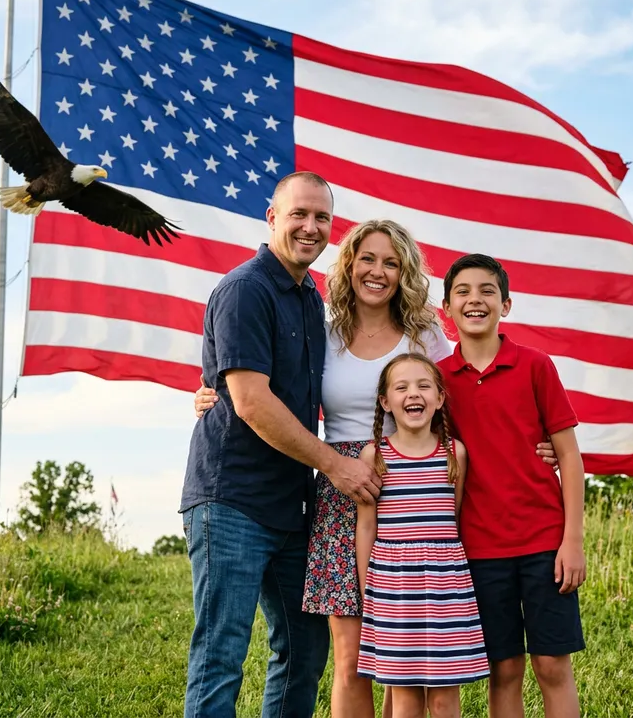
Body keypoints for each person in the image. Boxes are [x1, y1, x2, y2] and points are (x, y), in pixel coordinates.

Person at [193, 224, 560, 717]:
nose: (378, 272)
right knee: (352, 661)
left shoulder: (424, 333)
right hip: (341, 487)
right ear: (350, 266)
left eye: (391, 263)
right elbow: (269, 379)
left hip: (413, 489)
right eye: (368, 259)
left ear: (405, 271)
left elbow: (458, 398)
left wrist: (529, 444)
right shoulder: (324, 330)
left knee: (404, 661)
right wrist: (211, 396)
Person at [179, 171, 382, 718]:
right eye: (299, 214)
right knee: (221, 654)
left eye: (322, 218)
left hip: (293, 506)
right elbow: (251, 401)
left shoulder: (309, 298)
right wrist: (334, 465)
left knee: (303, 650)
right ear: (272, 217)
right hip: (231, 501)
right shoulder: (246, 288)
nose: (311, 227)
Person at [438, 253, 587, 718]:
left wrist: (573, 541)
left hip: (544, 543)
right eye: (462, 291)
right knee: (504, 671)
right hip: (480, 549)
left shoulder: (535, 365)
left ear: (506, 304)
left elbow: (569, 456)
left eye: (487, 291)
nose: (475, 300)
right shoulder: (439, 380)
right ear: (446, 307)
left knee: (551, 666)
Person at [356, 352, 490, 718]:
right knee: (406, 698)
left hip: (446, 591)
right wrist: (370, 589)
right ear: (386, 402)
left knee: (446, 698)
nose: (413, 394)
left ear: (440, 398)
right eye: (401, 387)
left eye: (423, 386)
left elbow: (456, 519)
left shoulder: (454, 453)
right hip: (394, 591)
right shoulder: (375, 456)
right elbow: (367, 526)